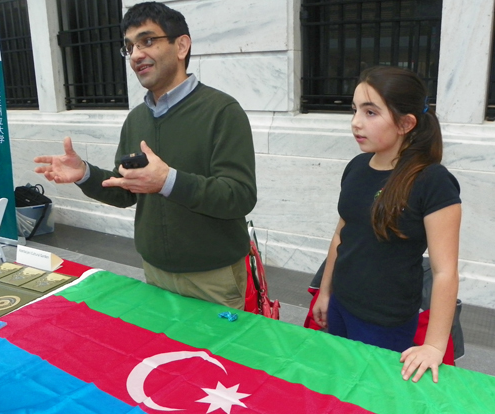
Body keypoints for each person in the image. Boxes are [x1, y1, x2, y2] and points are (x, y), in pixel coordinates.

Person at [34, 2, 257, 310]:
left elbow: (240, 196)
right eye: (130, 47)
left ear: (181, 46)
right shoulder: (136, 119)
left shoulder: (222, 111)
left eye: (148, 41)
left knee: (213, 358)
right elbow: (126, 191)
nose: (137, 54)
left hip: (212, 277)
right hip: (153, 270)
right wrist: (84, 173)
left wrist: (168, 181)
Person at [312, 66, 461, 383]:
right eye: (354, 110)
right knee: (338, 383)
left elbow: (445, 271)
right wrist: (325, 292)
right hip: (341, 303)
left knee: (373, 395)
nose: (356, 122)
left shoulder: (432, 181)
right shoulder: (356, 167)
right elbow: (343, 232)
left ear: (406, 123)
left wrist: (434, 346)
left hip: (385, 322)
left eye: (370, 112)